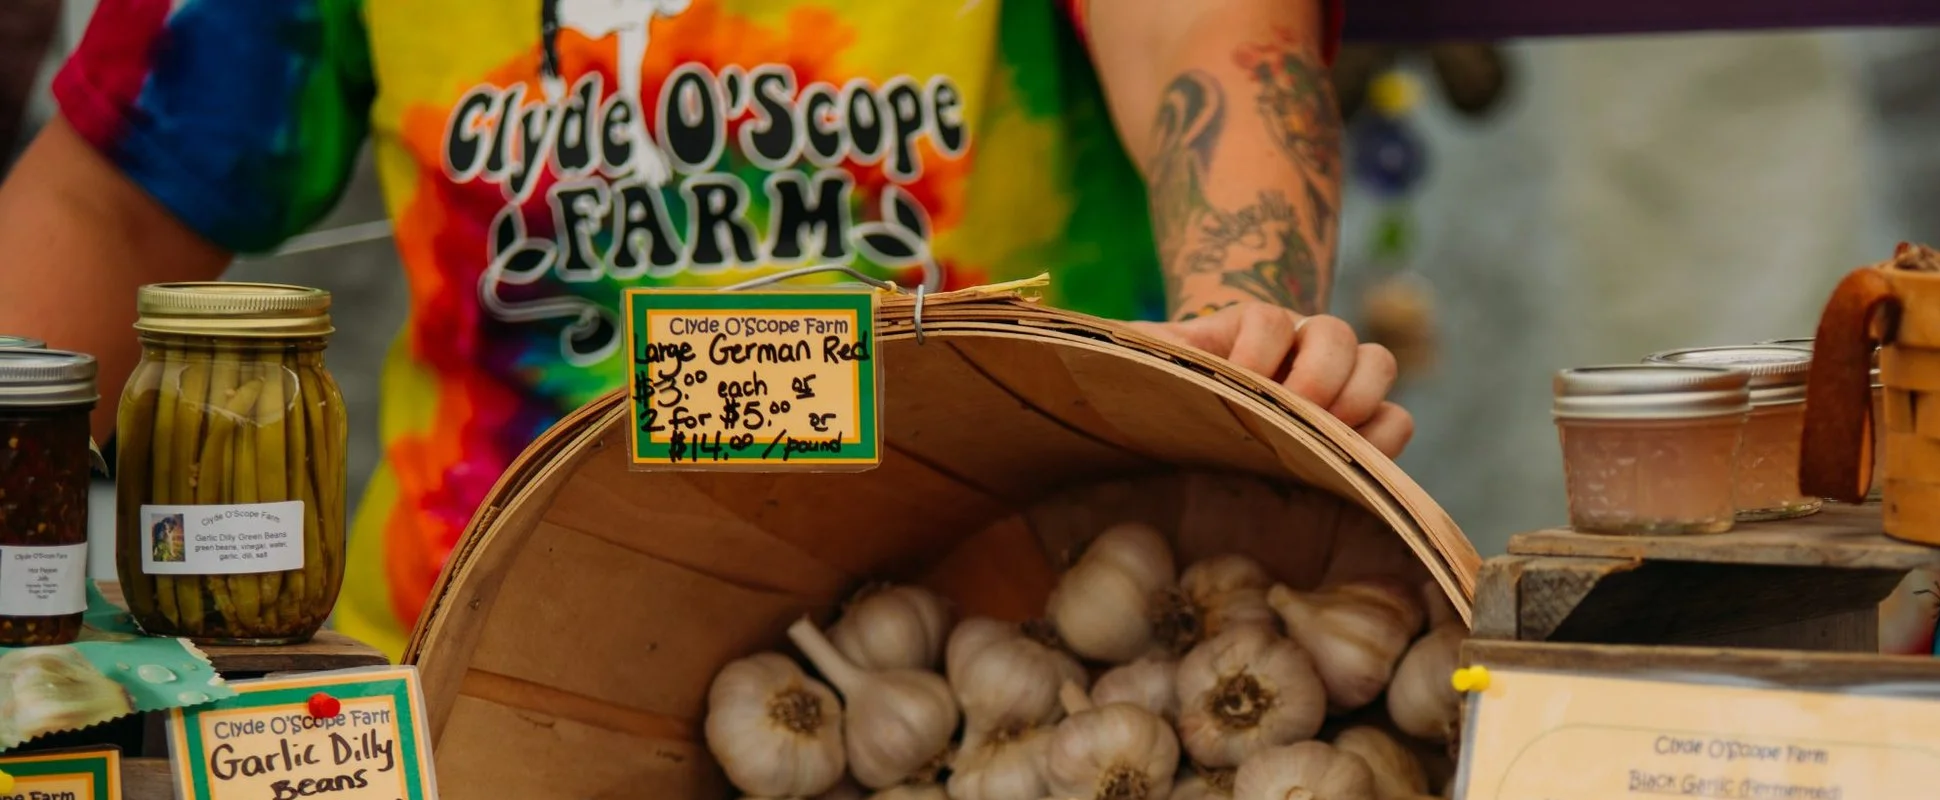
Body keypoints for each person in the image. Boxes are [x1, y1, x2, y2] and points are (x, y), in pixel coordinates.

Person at [0, 0, 1408, 654]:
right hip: (465, 715)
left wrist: (1247, 318)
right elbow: (112, 202)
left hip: (1014, 701)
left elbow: (1211, 47)